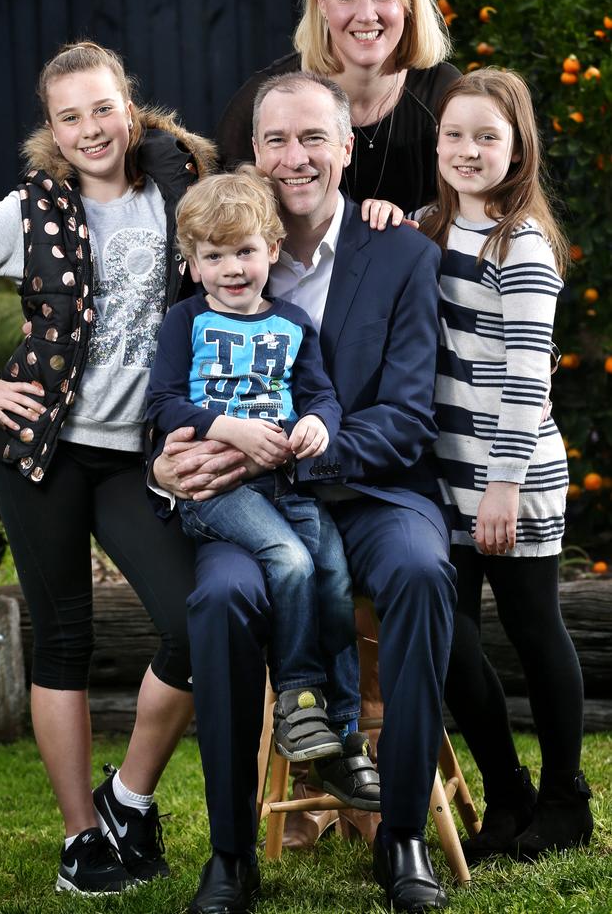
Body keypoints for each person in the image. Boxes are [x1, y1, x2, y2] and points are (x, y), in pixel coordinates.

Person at [152, 71, 457, 914]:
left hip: (372, 496)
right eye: (277, 140)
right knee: (217, 602)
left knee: (422, 574)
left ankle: (400, 837)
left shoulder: (401, 254)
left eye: (314, 137)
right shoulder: (217, 251)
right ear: (254, 152)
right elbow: (171, 399)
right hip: (249, 513)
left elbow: (402, 416)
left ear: (346, 147)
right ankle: (230, 853)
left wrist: (286, 461)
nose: (296, 157)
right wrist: (166, 466)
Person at [0, 40, 217, 894]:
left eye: (102, 107)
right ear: (52, 128)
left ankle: (129, 795)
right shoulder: (29, 210)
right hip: (41, 448)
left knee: (194, 621)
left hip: (135, 457)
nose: (90, 128)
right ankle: (82, 841)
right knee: (63, 639)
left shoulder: (179, 189)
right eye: (69, 116)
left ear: (129, 103)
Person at [146, 165, 379, 808]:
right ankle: (299, 697)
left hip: (287, 485)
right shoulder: (185, 323)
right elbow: (164, 403)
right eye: (213, 255)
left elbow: (322, 398)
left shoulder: (295, 324)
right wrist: (229, 429)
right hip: (218, 490)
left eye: (245, 251)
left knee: (331, 568)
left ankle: (341, 729)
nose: (232, 268)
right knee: (290, 560)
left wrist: (313, 426)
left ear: (272, 250)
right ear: (191, 263)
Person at [417, 67, 593, 863]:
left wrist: (504, 484)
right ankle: (507, 791)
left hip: (511, 480)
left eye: (488, 135)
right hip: (441, 481)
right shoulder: (428, 227)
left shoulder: (519, 241)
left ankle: (566, 800)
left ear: (518, 145)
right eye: (455, 133)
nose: (468, 149)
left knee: (532, 631)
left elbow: (528, 374)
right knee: (448, 641)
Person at [217, 0, 459, 220]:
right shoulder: (268, 100)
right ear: (321, 2)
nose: (366, 15)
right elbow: (222, 222)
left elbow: (479, 206)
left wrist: (426, 234)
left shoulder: (444, 95)